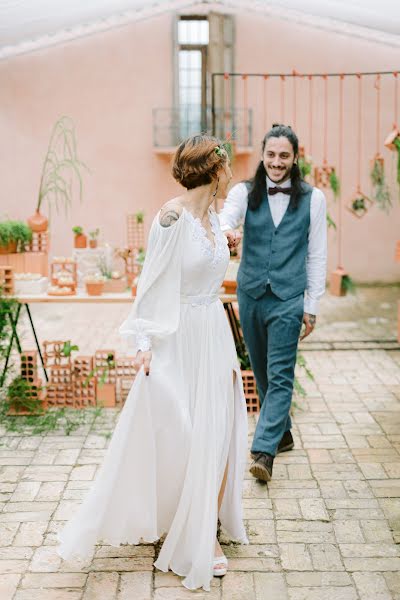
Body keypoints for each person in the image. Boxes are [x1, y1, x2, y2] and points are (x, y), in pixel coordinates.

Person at [57, 134, 248, 592]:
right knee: (182, 430)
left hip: (214, 334)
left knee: (220, 428)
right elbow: (150, 282)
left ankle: (206, 529)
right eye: (224, 164)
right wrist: (143, 341)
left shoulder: (214, 218)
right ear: (213, 170)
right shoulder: (170, 217)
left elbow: (205, 266)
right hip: (178, 334)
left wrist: (226, 243)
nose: (228, 171)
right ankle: (177, 517)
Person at [220, 124, 327, 483]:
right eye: (271, 155)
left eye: (284, 156)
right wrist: (226, 232)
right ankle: (283, 434)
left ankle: (263, 451)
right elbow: (225, 219)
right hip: (250, 295)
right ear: (262, 155)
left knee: (280, 374)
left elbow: (317, 255)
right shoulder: (243, 192)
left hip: (287, 299)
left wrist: (311, 304)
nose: (277, 162)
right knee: (263, 371)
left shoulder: (314, 199)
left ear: (295, 158)